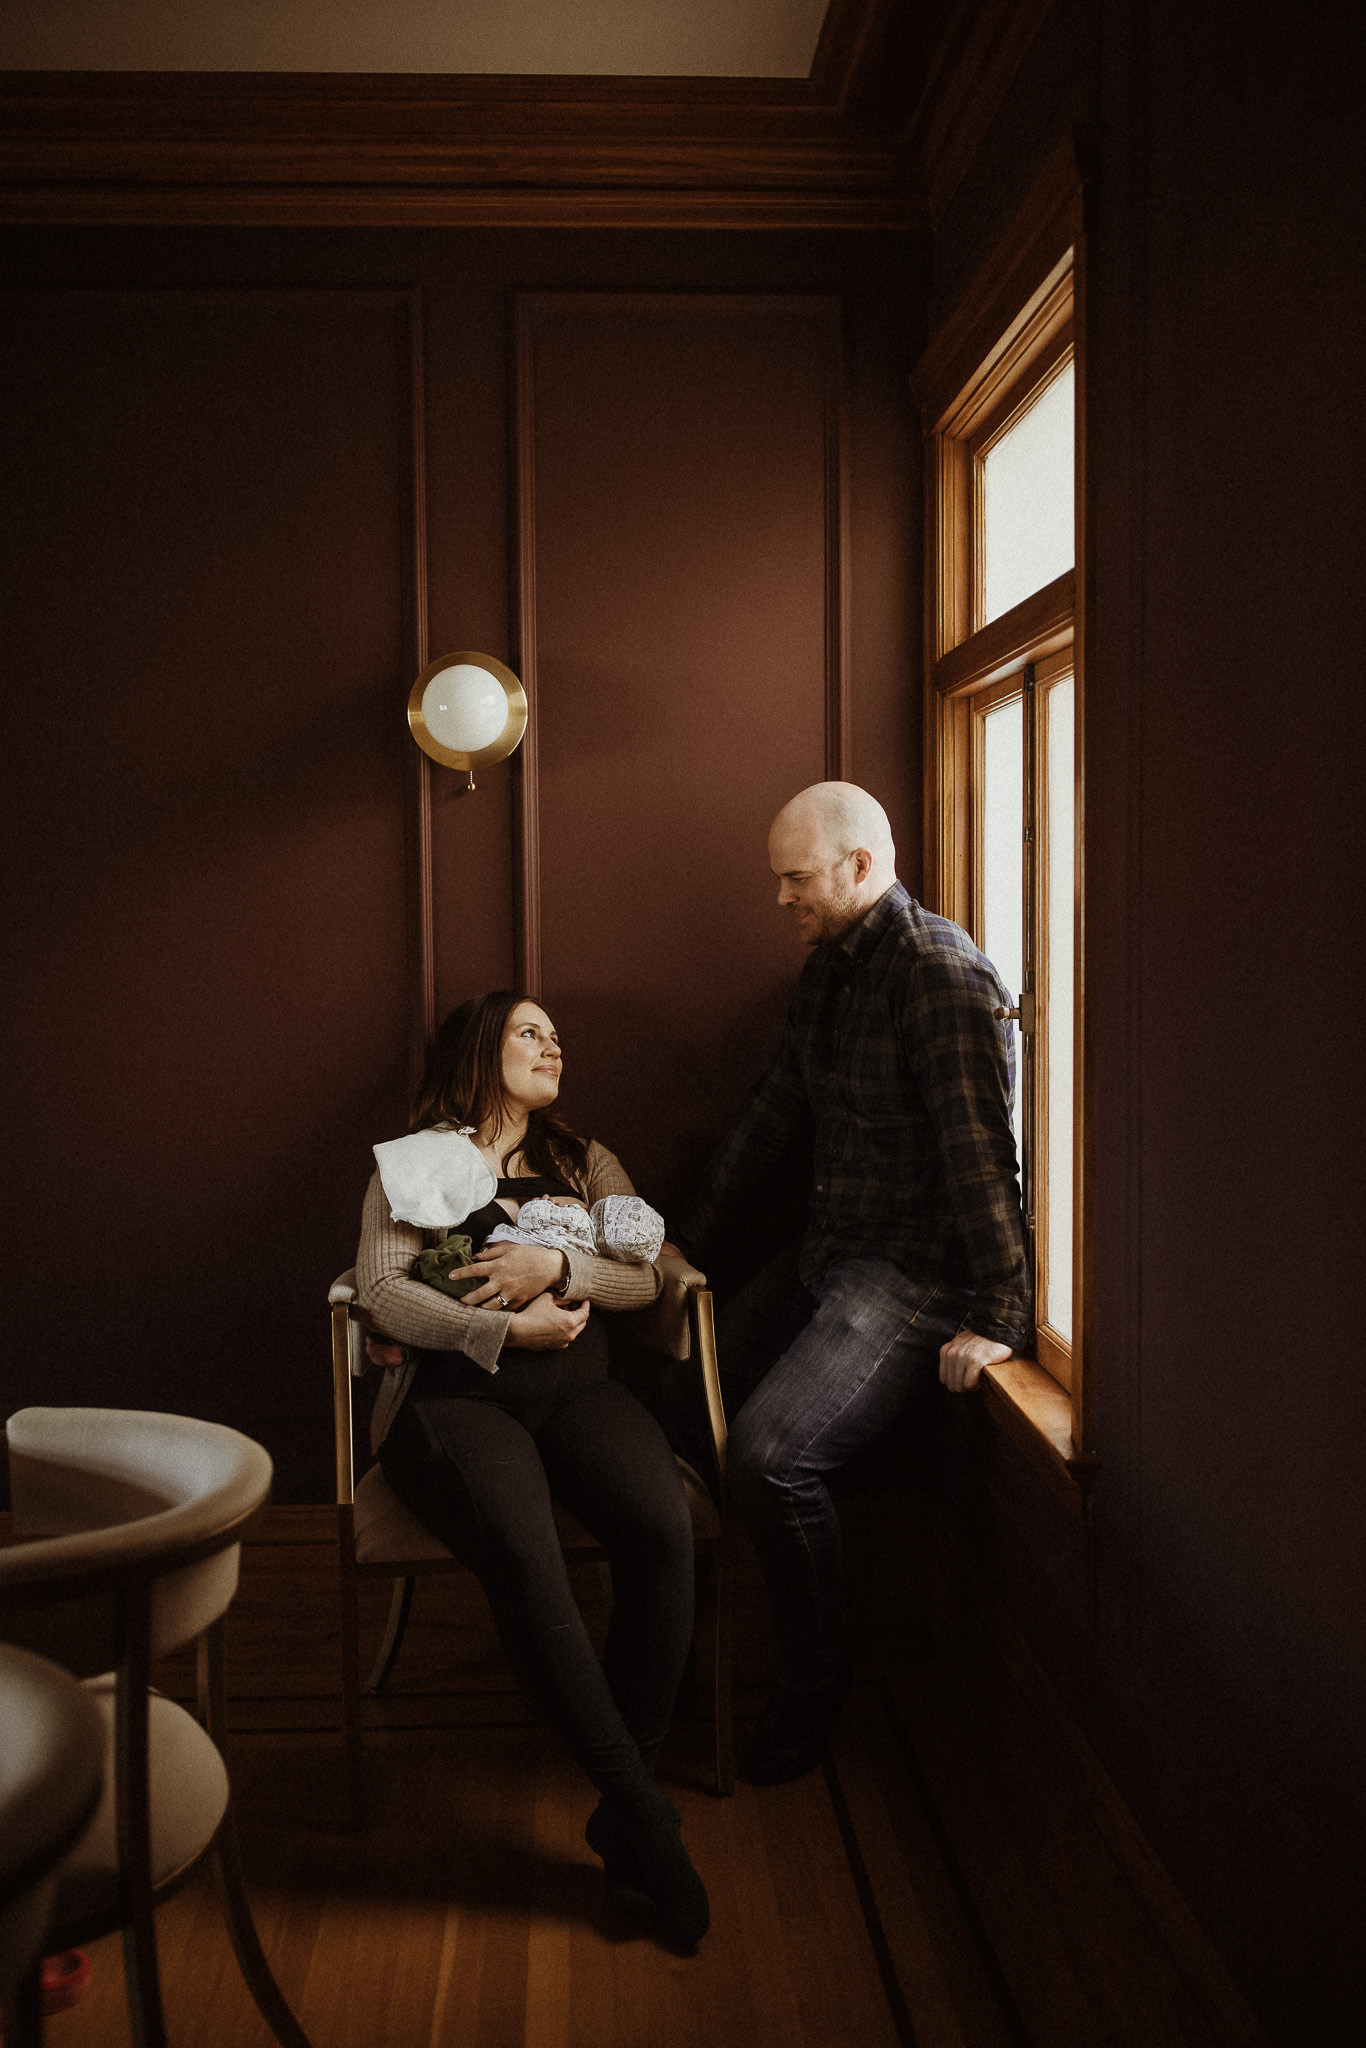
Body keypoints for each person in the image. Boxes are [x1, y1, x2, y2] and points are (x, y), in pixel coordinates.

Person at [661, 781, 1030, 1786]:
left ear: (859, 866)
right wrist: (679, 1242)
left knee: (770, 1458)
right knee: (677, 1400)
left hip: (911, 1275)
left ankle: (810, 1686)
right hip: (827, 1251)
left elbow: (980, 1156)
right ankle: (667, 1661)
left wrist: (998, 1311)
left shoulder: (939, 974)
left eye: (794, 878)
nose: (779, 898)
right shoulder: (828, 969)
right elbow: (772, 1111)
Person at [355, 991, 708, 1948]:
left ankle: (620, 1808)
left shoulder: (584, 1160)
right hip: (459, 1403)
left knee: (663, 1531)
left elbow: (646, 1274)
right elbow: (383, 1289)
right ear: (480, 1049)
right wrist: (497, 1324)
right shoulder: (418, 1159)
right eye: (528, 1031)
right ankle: (646, 1818)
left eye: (556, 1034)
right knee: (526, 1554)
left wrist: (557, 1274)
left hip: (581, 1390)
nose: (553, 1044)